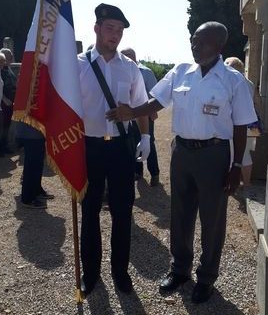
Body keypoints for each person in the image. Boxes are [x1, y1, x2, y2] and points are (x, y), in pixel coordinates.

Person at [106, 21, 257, 304]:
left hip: (214, 155)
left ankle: (207, 277)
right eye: (193, 40)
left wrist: (236, 166)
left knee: (212, 219)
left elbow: (240, 126)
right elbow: (156, 102)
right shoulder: (180, 72)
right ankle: (180, 269)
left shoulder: (233, 80)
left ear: (219, 46)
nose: (194, 45)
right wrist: (131, 113)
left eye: (201, 41)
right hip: (182, 153)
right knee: (181, 214)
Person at [78, 3, 150, 296]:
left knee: (123, 212)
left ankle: (120, 273)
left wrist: (144, 136)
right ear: (96, 28)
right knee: (89, 210)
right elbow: (65, 109)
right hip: (89, 146)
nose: (115, 35)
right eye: (110, 28)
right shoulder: (77, 65)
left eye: (119, 31)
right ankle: (91, 274)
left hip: (121, 148)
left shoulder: (130, 68)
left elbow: (142, 107)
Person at [120, 48, 160, 186]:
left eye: (128, 57)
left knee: (149, 142)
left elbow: (155, 93)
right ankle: (138, 172)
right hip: (128, 116)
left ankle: (154, 173)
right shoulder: (120, 70)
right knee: (133, 142)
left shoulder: (146, 72)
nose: (125, 60)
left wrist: (151, 111)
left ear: (134, 57)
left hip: (145, 114)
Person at [224, 57, 258, 186]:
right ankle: (245, 181)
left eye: (227, 65)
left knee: (239, 153)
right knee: (245, 152)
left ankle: (243, 182)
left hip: (239, 123)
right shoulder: (249, 83)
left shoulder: (234, 81)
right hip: (250, 122)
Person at [16, 122, 54, 209]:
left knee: (38, 164)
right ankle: (27, 198)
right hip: (30, 132)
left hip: (39, 132)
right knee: (31, 166)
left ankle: (36, 190)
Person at [0, 48, 17, 155]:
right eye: (9, 56)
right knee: (1, 126)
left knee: (7, 126)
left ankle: (4, 146)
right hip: (3, 103)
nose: (11, 57)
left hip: (10, 103)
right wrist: (5, 99)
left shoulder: (8, 68)